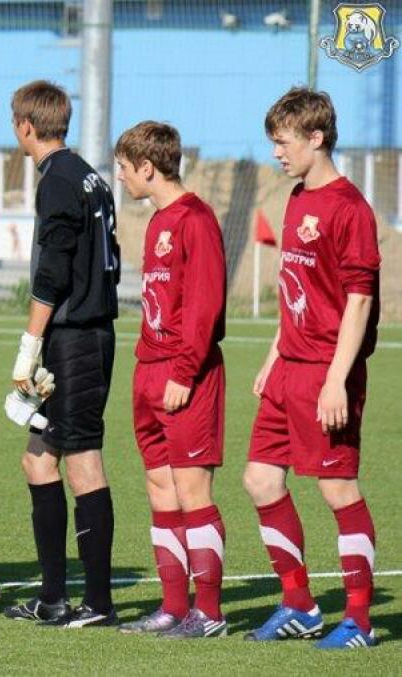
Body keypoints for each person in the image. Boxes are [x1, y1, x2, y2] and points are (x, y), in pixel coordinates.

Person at [243, 87, 381, 650]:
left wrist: (336, 381)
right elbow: (294, 288)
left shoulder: (350, 208)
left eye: (283, 142)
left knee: (338, 489)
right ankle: (299, 604)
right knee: (260, 480)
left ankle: (360, 621)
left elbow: (359, 302)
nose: (277, 152)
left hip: (327, 371)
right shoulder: (298, 197)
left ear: (316, 137)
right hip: (289, 369)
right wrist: (273, 356)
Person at [3, 80, 121, 627]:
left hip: (76, 338)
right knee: (37, 460)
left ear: (25, 126)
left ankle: (98, 604)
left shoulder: (57, 181)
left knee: (84, 462)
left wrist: (28, 347)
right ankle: (53, 597)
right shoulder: (88, 174)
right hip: (78, 337)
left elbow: (53, 271)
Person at [113, 121, 228, 638]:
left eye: (123, 168)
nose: (120, 177)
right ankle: (173, 607)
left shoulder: (195, 219)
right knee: (160, 487)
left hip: (186, 375)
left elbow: (204, 304)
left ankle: (210, 612)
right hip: (149, 369)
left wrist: (184, 371)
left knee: (191, 488)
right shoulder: (158, 220)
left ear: (147, 167)